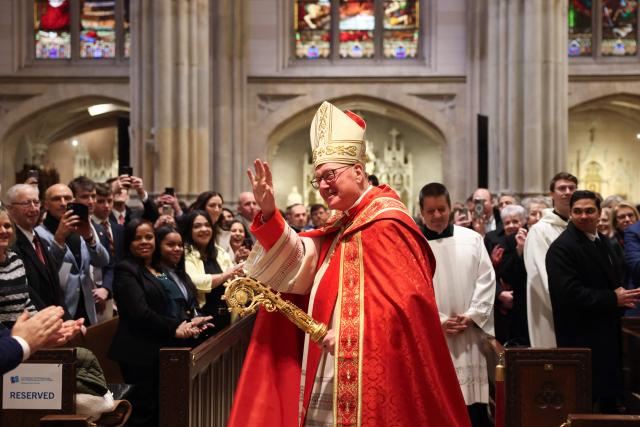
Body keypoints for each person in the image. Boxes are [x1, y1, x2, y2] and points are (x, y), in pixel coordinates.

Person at [229, 101, 469, 426]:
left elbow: (407, 308)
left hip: (374, 369)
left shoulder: (387, 223)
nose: (324, 186)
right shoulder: (342, 223)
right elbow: (297, 265)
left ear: (358, 171)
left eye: (330, 175)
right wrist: (271, 214)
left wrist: (349, 334)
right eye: (318, 180)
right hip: (331, 364)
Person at [108, 218, 209, 426]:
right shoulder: (125, 270)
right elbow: (141, 313)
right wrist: (175, 328)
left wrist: (189, 321)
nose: (144, 242)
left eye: (149, 237)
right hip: (138, 352)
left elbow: (169, 302)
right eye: (138, 238)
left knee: (159, 409)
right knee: (145, 411)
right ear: (128, 242)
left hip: (157, 347)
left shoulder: (153, 269)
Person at [547, 190, 640, 413]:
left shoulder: (601, 241)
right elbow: (568, 293)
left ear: (599, 213)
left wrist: (619, 295)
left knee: (607, 397)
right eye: (577, 211)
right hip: (581, 337)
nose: (584, 216)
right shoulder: (562, 248)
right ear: (570, 213)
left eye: (590, 211)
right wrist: (612, 298)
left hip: (604, 333)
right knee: (586, 402)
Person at [418, 182, 495, 426]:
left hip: (469, 335)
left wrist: (472, 315)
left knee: (473, 409)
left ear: (450, 208)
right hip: (433, 337)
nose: (437, 215)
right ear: (421, 213)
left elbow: (486, 279)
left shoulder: (471, 239)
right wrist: (437, 321)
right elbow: (411, 291)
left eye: (441, 209)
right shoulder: (414, 245)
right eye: (430, 211)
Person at [37, 181, 110, 326]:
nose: (63, 203)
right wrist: (59, 239)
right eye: (57, 199)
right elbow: (44, 273)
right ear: (46, 205)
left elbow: (103, 261)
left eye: (67, 198)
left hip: (88, 309)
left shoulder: (81, 228)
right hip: (60, 310)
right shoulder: (39, 235)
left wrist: (89, 237)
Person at [524, 172, 577, 348]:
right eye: (562, 188)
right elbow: (542, 273)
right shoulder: (540, 230)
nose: (567, 192)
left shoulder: (581, 227)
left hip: (579, 304)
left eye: (572, 188)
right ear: (551, 194)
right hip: (551, 306)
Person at [181, 211, 244, 332]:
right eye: (197, 226)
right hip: (202, 319)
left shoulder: (220, 252)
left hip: (227, 317)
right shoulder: (186, 253)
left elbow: (234, 281)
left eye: (207, 225)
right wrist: (226, 274)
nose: (204, 229)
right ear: (189, 230)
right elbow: (194, 282)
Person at [5, 184, 65, 311]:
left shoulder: (37, 237)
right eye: (26, 203)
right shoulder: (10, 244)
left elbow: (55, 285)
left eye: (36, 202)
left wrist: (65, 317)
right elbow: (27, 293)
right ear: (10, 209)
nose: (34, 209)